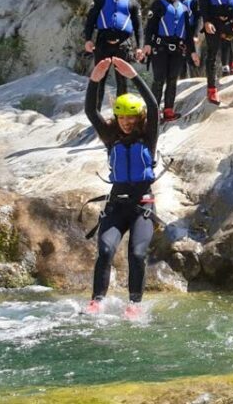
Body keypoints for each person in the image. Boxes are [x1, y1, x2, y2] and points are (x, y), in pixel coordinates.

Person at [84, 57, 158, 319]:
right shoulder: (110, 136)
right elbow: (91, 112)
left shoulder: (148, 137)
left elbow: (154, 106)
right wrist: (95, 79)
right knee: (105, 250)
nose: (126, 122)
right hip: (116, 206)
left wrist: (133, 75)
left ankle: (134, 304)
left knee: (137, 254)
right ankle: (96, 301)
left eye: (131, 117)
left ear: (139, 118)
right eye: (122, 117)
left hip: (142, 208)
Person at [83, 0, 143, 111]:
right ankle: (96, 113)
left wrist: (139, 47)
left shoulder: (132, 3)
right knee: (99, 79)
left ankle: (122, 114)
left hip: (123, 45)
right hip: (103, 43)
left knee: (122, 81)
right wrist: (88, 39)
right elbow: (90, 20)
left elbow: (138, 27)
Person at [143, 0, 199, 122]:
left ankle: (168, 110)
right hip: (160, 48)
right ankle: (153, 112)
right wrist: (147, 44)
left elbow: (188, 34)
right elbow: (150, 27)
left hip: (178, 50)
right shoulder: (158, 5)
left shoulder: (184, 9)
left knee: (172, 80)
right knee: (159, 80)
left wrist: (192, 51)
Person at [179, 0, 202, 78]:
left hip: (191, 31)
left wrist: (196, 35)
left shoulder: (194, 0)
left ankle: (196, 79)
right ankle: (182, 80)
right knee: (181, 59)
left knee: (192, 57)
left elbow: (198, 18)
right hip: (181, 32)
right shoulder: (179, 0)